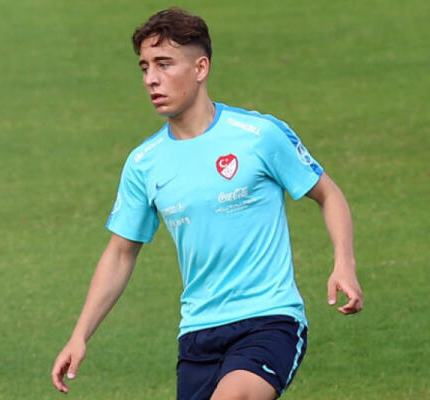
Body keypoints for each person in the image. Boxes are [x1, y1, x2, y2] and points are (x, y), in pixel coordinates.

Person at [51, 7, 363, 400]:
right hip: (198, 336)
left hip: (269, 321)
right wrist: (79, 335)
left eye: (164, 64)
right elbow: (120, 253)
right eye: (145, 67)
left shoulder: (257, 135)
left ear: (201, 68)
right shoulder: (144, 163)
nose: (150, 79)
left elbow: (328, 194)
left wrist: (344, 263)